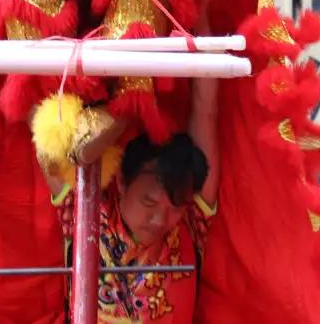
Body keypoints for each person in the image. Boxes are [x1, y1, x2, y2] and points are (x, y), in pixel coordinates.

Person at [44, 77, 219, 323]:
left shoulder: (191, 222)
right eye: (149, 202)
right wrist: (129, 104)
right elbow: (51, 141)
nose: (159, 220)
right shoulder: (83, 208)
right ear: (122, 182)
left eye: (174, 208)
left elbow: (205, 111)